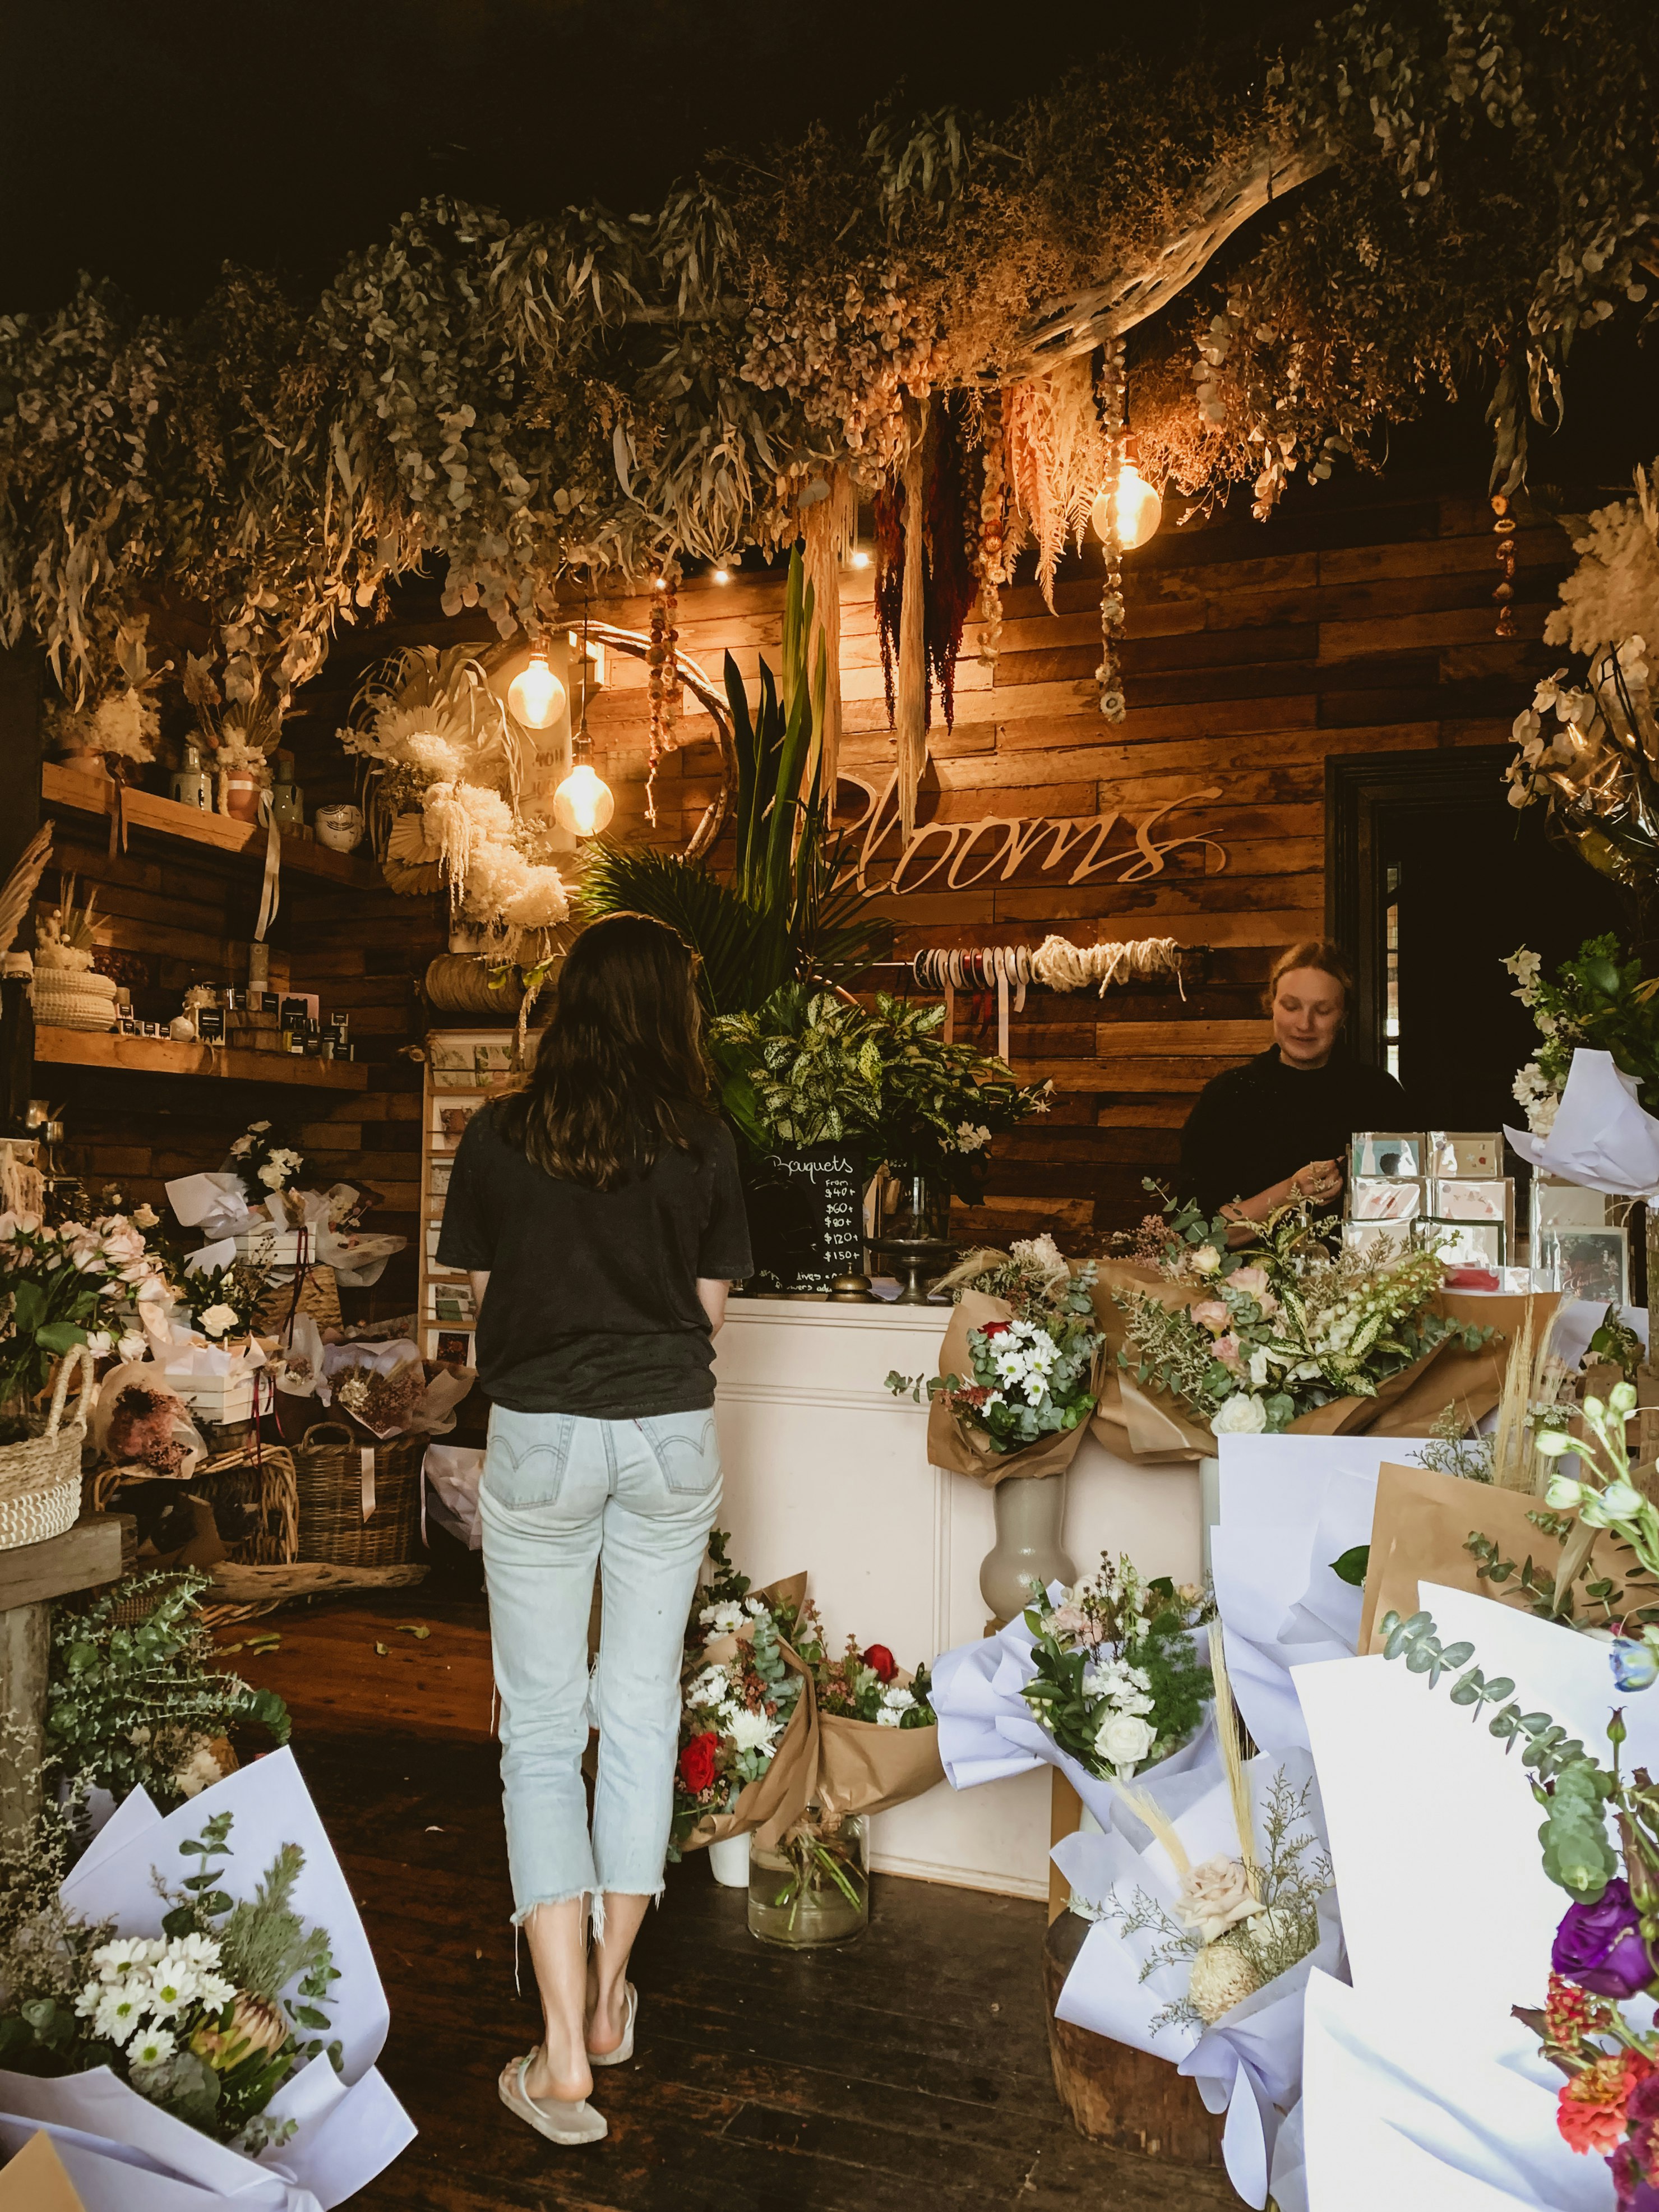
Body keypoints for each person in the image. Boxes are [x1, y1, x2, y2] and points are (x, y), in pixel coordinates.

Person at [436, 912, 752, 2147]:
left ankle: (562, 2046)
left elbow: (479, 1298)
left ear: (568, 1002)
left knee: (541, 1729)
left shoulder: (500, 1132)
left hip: (544, 1439)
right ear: (670, 1011)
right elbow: (709, 1310)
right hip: (669, 1432)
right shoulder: (703, 1139)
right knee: (641, 1709)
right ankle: (616, 1991)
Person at [1177, 940, 1412, 1228]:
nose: (1305, 1024)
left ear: (1344, 1017)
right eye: (1291, 1006)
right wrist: (1291, 1192)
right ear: (1272, 1006)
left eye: (1323, 1011)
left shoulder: (1380, 1096)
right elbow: (1195, 1231)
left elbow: (1409, 1211)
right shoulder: (1226, 1097)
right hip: (1245, 1274)